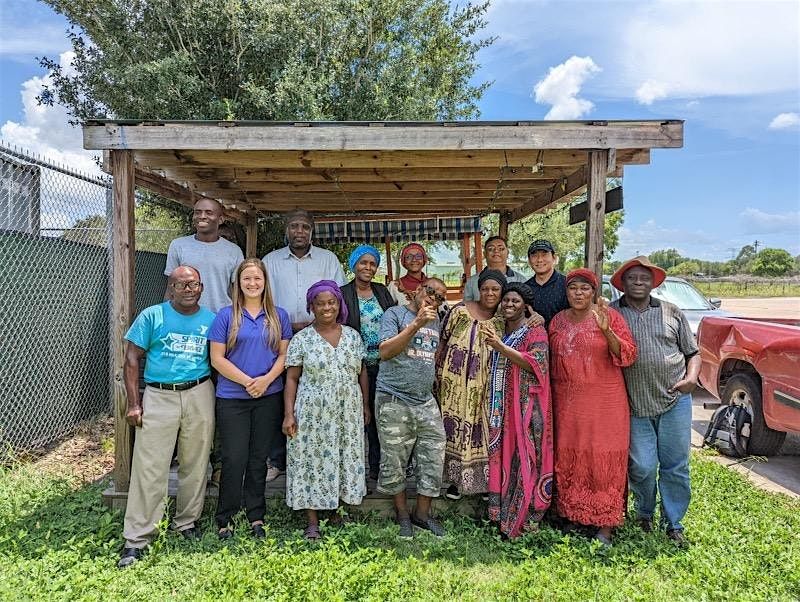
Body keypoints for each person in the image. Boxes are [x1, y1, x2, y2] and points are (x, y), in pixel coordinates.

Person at [118, 266, 216, 569]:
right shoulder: (152, 316)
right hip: (159, 395)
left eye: (194, 284)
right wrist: (135, 403)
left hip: (199, 391)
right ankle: (137, 538)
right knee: (150, 466)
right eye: (181, 284)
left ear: (201, 288)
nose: (188, 289)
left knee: (196, 462)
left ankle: (186, 522)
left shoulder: (211, 320)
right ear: (170, 288)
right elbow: (132, 358)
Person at [610, 256, 700, 546]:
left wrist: (691, 378)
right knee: (642, 466)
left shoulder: (671, 312)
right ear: (622, 282)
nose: (638, 282)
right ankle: (644, 512)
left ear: (653, 282)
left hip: (675, 399)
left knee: (676, 465)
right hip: (634, 405)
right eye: (632, 277)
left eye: (644, 278)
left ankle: (673, 522)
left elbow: (692, 352)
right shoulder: (612, 313)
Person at [548, 269, 637, 546]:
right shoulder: (558, 321)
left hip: (604, 403)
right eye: (573, 288)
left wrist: (606, 331)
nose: (578, 293)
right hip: (568, 403)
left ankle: (606, 525)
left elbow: (627, 355)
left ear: (593, 292)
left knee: (602, 458)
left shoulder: (609, 317)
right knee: (572, 456)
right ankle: (575, 515)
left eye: (584, 289)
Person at [208, 258, 292, 540]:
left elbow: (284, 355)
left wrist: (266, 381)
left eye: (257, 279)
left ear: (265, 282)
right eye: (247, 279)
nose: (252, 284)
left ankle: (256, 515)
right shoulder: (225, 316)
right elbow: (217, 359)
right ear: (238, 283)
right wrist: (247, 382)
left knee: (259, 459)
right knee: (234, 458)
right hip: (233, 397)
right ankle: (226, 516)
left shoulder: (278, 316)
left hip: (268, 396)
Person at [282, 281, 369, 540]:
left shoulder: (352, 336)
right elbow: (292, 378)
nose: (326, 307)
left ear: (339, 304)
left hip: (347, 410)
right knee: (310, 460)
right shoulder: (302, 339)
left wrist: (365, 404)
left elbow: (362, 371)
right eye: (320, 303)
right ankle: (312, 520)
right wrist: (289, 414)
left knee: (344, 456)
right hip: (312, 412)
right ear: (312, 307)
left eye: (331, 302)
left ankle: (337, 511)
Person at [262, 208, 345, 481]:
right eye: (294, 226)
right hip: (279, 335)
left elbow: (337, 297)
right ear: (286, 229)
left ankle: (320, 453)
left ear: (312, 230)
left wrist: (317, 325)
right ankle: (277, 459)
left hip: (319, 334)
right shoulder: (270, 261)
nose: (299, 231)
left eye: (305, 227)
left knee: (317, 393)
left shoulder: (327, 259)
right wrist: (286, 326)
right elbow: (262, 298)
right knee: (279, 392)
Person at [376, 277, 449, 538]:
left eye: (441, 297)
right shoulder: (394, 314)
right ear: (417, 290)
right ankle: (402, 514)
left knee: (433, 455)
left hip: (425, 399)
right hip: (394, 397)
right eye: (430, 291)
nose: (434, 298)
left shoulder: (438, 320)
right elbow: (385, 351)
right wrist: (417, 323)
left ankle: (422, 514)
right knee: (395, 459)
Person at [482, 282, 553, 538]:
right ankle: (501, 515)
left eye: (515, 301)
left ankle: (524, 519)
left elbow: (537, 364)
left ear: (526, 306)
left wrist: (501, 348)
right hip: (502, 408)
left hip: (526, 408)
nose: (509, 305)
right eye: (506, 301)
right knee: (504, 458)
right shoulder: (500, 327)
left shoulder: (535, 332)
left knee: (526, 459)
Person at [437, 269, 506, 499]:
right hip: (454, 383)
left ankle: (485, 483)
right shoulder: (460, 310)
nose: (489, 293)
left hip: (486, 383)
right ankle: (456, 482)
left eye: (495, 289)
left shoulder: (504, 318)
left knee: (483, 429)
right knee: (454, 429)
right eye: (485, 288)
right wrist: (437, 374)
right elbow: (442, 340)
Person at [341, 245, 397, 482]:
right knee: (356, 416)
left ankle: (377, 467)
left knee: (380, 417)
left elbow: (394, 319)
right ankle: (351, 470)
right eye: (363, 263)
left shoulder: (382, 291)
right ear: (354, 265)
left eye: (372, 263)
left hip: (383, 365)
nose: (368, 267)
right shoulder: (342, 293)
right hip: (354, 366)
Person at [165, 198, 244, 313]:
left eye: (209, 212)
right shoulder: (178, 245)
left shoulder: (234, 251)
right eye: (197, 212)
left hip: (221, 319)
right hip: (186, 317)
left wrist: (237, 318)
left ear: (221, 219)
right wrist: (166, 316)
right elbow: (170, 288)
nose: (202, 216)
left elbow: (237, 292)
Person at [462, 236, 526, 302]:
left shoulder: (521, 280)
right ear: (485, 254)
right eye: (491, 249)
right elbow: (466, 307)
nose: (496, 251)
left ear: (507, 253)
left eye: (501, 248)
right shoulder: (472, 282)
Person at [524, 239, 568, 328]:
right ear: (529, 261)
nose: (539, 260)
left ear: (554, 258)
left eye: (544, 254)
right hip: (532, 340)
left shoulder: (568, 285)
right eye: (534, 255)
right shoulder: (524, 288)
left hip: (561, 338)